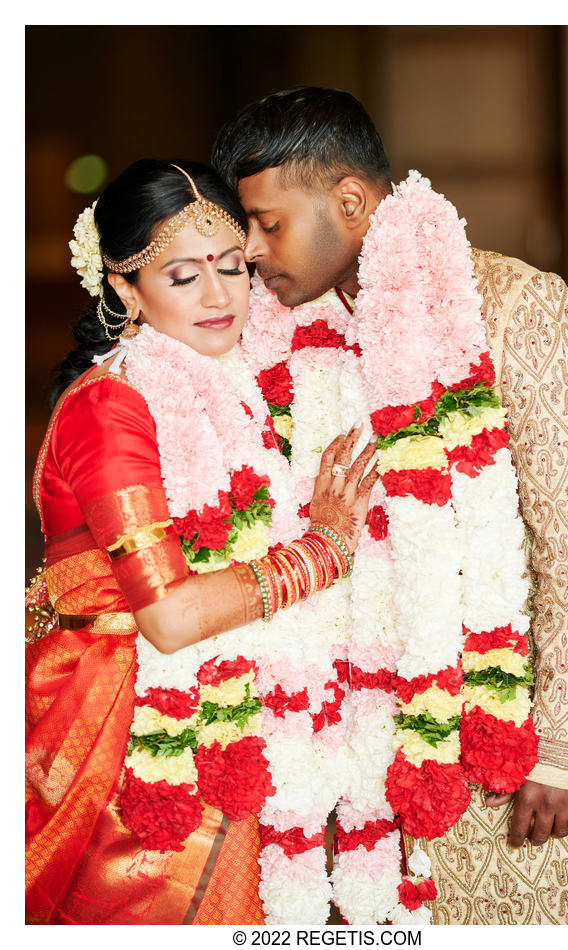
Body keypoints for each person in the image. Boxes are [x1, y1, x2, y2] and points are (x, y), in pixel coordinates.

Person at [212, 86, 568, 925]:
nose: (251, 252)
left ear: (351, 201)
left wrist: (562, 749)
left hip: (502, 743)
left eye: (268, 223)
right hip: (345, 752)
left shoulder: (511, 305)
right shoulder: (270, 337)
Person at [25, 158, 379, 925]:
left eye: (230, 268)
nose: (220, 296)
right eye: (183, 277)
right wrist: (323, 549)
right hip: (128, 730)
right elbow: (171, 619)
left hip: (227, 704)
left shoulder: (223, 379)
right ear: (124, 288)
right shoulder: (109, 408)